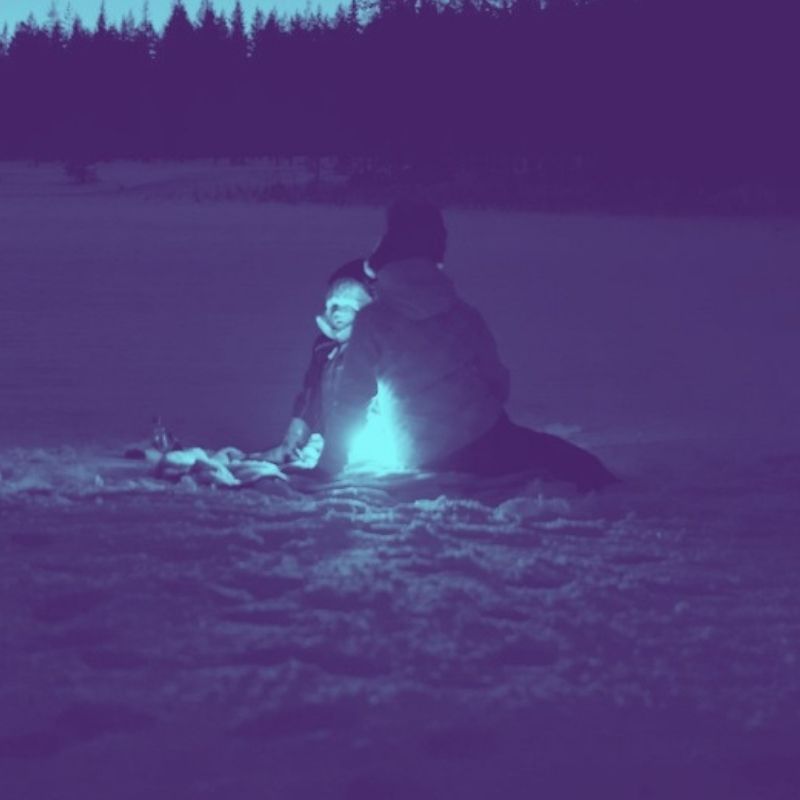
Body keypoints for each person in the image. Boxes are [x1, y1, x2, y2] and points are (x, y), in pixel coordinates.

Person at [317, 200, 617, 492]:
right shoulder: (460, 312)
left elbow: (351, 398)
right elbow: (497, 381)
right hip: (483, 435)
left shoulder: (374, 319)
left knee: (548, 457)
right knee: (572, 461)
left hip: (423, 452)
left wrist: (329, 465)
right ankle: (616, 493)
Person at [258, 260, 374, 467]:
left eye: (347, 306)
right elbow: (310, 395)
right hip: (330, 441)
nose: (337, 313)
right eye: (333, 306)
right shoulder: (324, 347)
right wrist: (293, 441)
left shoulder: (379, 343)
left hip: (369, 441)